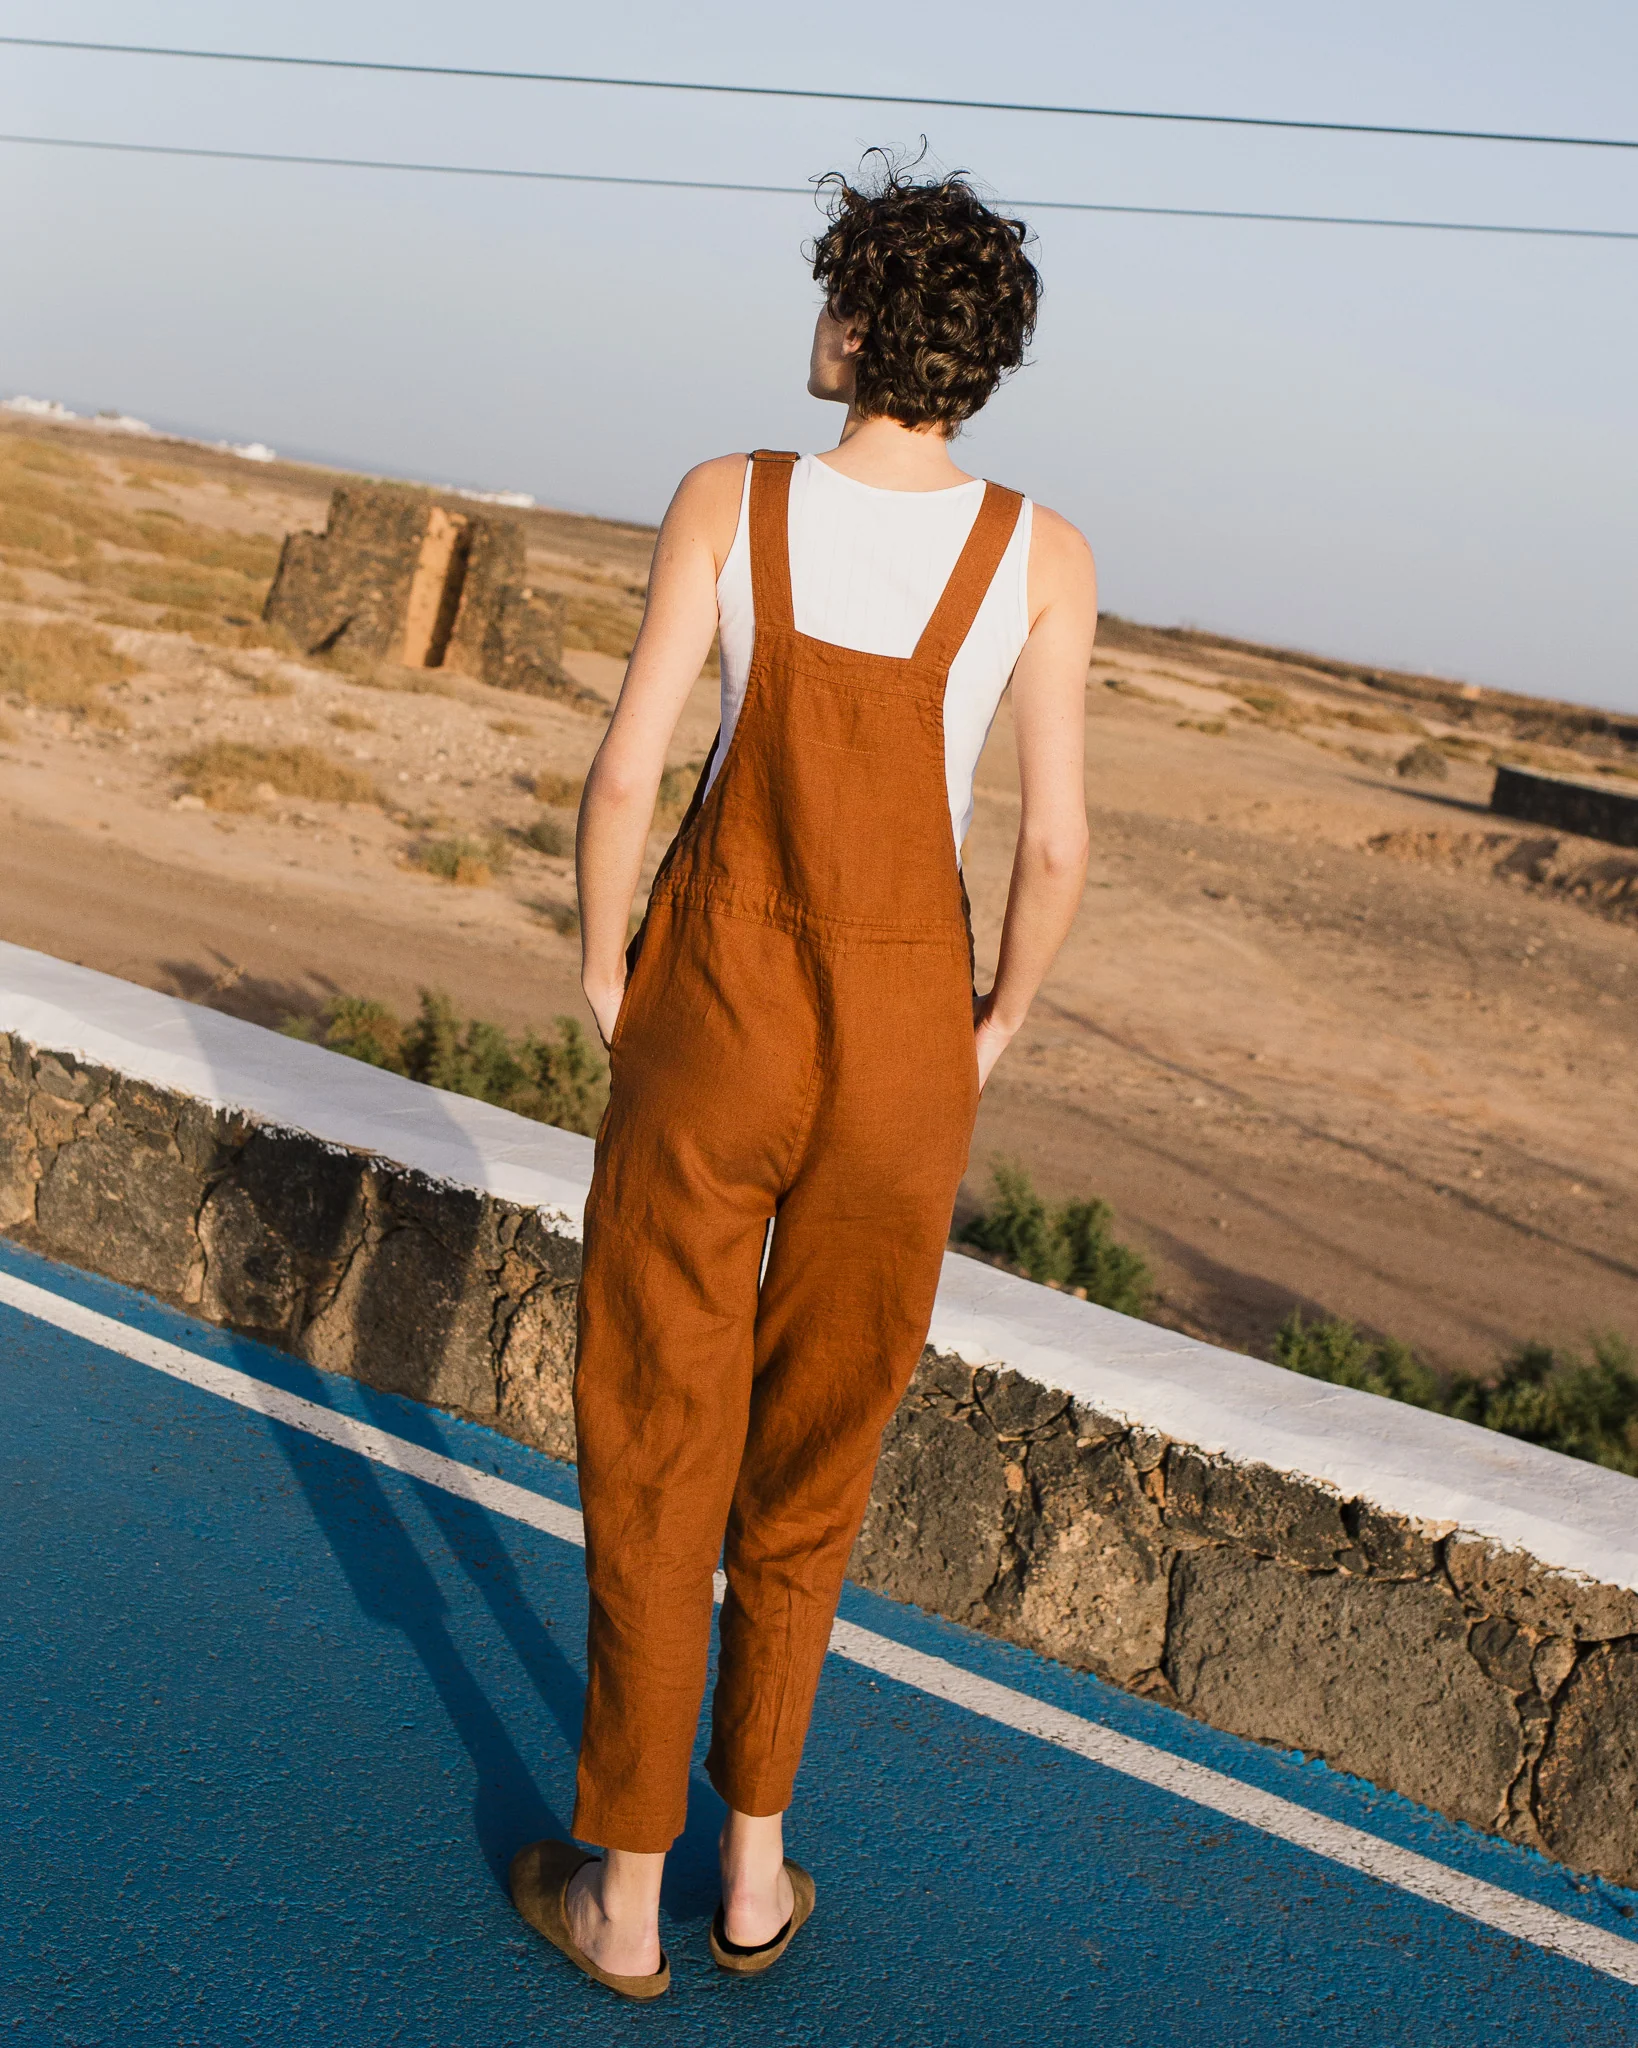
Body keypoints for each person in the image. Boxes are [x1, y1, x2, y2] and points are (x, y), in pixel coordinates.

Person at [508, 161, 1097, 2000]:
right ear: (982, 363)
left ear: (849, 322)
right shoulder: (1041, 553)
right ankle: (752, 1873)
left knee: (656, 1431)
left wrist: (606, 968)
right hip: (908, 1049)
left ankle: (622, 1893)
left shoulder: (731, 497)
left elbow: (626, 776)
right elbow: (1057, 848)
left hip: (715, 1015)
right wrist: (986, 1028)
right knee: (813, 1457)